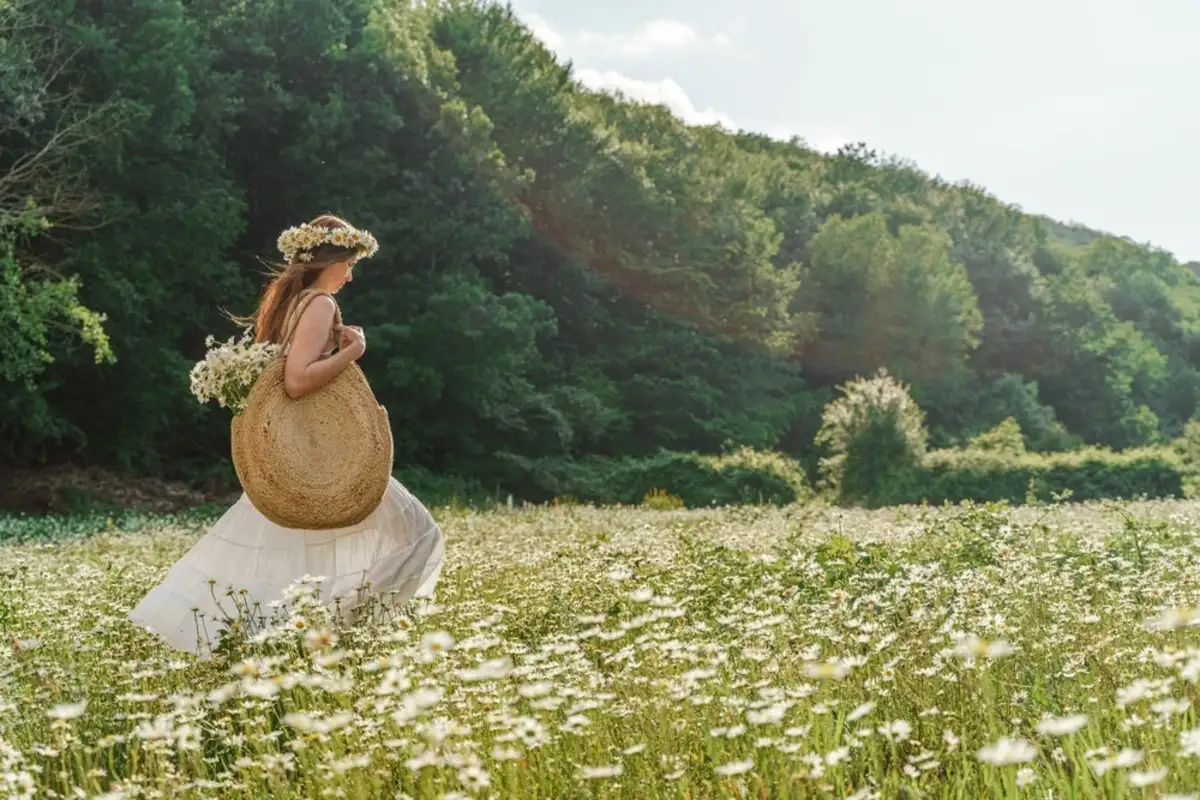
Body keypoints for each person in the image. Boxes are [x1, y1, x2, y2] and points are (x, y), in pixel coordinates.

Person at [128, 214, 445, 657]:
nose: (351, 275)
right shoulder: (319, 304)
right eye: (348, 264)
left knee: (291, 553)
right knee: (420, 533)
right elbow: (296, 380)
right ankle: (354, 637)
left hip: (298, 451)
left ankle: (307, 640)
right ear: (329, 260)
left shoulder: (292, 303)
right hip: (324, 455)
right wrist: (354, 351)